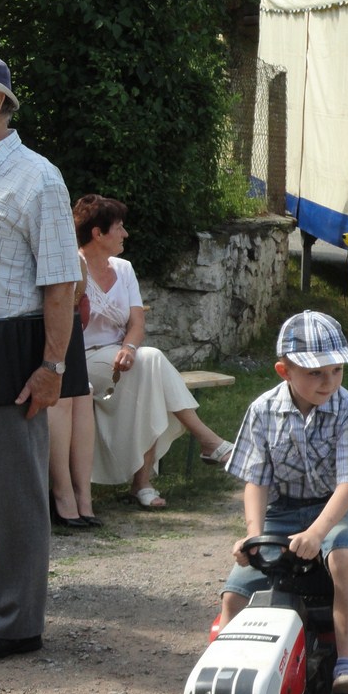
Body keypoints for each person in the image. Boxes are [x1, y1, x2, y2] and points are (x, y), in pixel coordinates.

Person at [0, 49, 82, 662]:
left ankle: (16, 623)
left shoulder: (37, 178)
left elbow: (61, 282)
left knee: (12, 500)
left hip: (4, 366)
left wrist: (52, 367)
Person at [219, 310, 348, 694]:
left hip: (334, 508)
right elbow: (256, 481)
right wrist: (253, 536)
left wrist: (318, 532)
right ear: (284, 371)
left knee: (344, 558)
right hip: (282, 511)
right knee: (234, 593)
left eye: (337, 370)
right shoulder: (262, 411)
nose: (329, 382)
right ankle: (230, 676)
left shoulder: (347, 408)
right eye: (316, 373)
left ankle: (347, 664)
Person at [76, 194, 232, 508]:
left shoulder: (124, 269)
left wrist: (129, 347)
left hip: (122, 356)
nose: (125, 234)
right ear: (97, 233)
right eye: (119, 228)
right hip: (83, 359)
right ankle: (204, 442)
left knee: (148, 374)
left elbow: (137, 323)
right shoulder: (73, 268)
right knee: (151, 363)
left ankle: (143, 483)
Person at [47, 251, 99, 527]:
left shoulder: (70, 254)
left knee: (83, 394)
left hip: (66, 332)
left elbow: (77, 290)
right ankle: (63, 493)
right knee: (63, 398)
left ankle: (83, 495)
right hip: (39, 335)